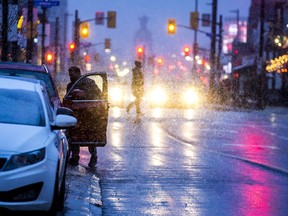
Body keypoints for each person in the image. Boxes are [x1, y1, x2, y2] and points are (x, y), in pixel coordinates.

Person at [66, 66, 102, 167]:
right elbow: (68, 99)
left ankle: (94, 156)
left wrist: (84, 95)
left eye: (72, 75)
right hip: (76, 115)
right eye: (69, 76)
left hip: (89, 114)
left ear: (78, 73)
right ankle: (74, 157)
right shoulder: (70, 86)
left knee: (89, 136)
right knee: (74, 136)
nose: (71, 77)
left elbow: (99, 96)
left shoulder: (89, 83)